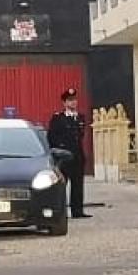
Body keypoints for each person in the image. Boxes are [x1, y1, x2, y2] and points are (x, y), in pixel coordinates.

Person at [45, 91, 89, 219]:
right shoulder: (58, 118)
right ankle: (60, 212)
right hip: (63, 157)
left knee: (78, 185)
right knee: (61, 186)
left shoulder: (80, 117)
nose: (73, 102)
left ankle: (78, 211)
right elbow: (51, 137)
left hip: (77, 156)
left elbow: (80, 136)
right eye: (70, 100)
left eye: (74, 99)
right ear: (64, 103)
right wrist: (58, 152)